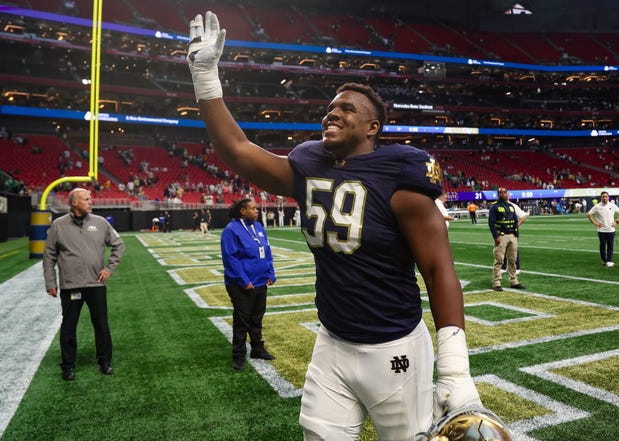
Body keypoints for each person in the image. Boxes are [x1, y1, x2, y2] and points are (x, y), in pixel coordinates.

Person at [187, 12, 483, 439]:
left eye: (348, 108)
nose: (333, 113)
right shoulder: (309, 165)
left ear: (372, 127)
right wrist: (205, 76)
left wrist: (454, 368)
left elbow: (438, 270)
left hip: (395, 347)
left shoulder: (401, 176)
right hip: (333, 341)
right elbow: (236, 149)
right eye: (329, 108)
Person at [42, 188, 124, 381]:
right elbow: (49, 256)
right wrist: (50, 282)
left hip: (96, 284)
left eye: (90, 198)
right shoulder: (58, 225)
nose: (91, 201)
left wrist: (109, 269)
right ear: (74, 203)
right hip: (71, 285)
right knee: (69, 326)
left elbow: (118, 245)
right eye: (86, 199)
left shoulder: (101, 222)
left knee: (101, 325)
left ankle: (105, 361)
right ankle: (68, 366)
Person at [220, 198, 276, 371]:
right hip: (241, 284)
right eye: (252, 208)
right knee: (242, 320)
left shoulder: (259, 227)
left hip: (260, 282)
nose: (256, 211)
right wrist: (244, 281)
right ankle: (238, 355)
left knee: (257, 318)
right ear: (243, 211)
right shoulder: (231, 230)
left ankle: (257, 349)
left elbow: (267, 251)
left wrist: (271, 272)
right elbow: (230, 258)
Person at [488, 188, 525, 291]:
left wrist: (516, 234)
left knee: (512, 260)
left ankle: (514, 281)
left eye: (504, 192)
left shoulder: (511, 207)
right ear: (498, 194)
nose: (503, 194)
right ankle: (496, 282)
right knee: (499, 260)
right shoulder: (494, 207)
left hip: (512, 236)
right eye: (501, 193)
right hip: (502, 236)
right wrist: (496, 236)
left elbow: (515, 221)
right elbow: (491, 223)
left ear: (507, 194)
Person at [587, 191, 619, 267]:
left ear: (608, 197)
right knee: (602, 246)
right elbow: (589, 214)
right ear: (601, 197)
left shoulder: (612, 205)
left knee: (610, 246)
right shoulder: (597, 206)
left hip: (611, 230)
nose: (604, 198)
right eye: (603, 196)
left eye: (606, 196)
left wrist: (616, 222)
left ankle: (609, 261)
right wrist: (595, 223)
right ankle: (604, 260)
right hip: (602, 230)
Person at [501, 197, 527, 276]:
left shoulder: (513, 206)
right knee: (502, 248)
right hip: (502, 230)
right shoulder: (497, 206)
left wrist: (516, 225)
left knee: (513, 249)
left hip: (512, 231)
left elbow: (523, 217)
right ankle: (503, 267)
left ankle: (517, 267)